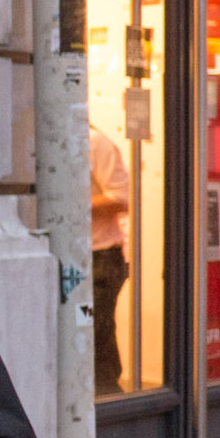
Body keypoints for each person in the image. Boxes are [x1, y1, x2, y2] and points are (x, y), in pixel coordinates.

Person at [90, 124, 132, 395]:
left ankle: (106, 398)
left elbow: (123, 197)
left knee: (97, 336)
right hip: (85, 254)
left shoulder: (95, 142)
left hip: (102, 256)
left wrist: (70, 203)